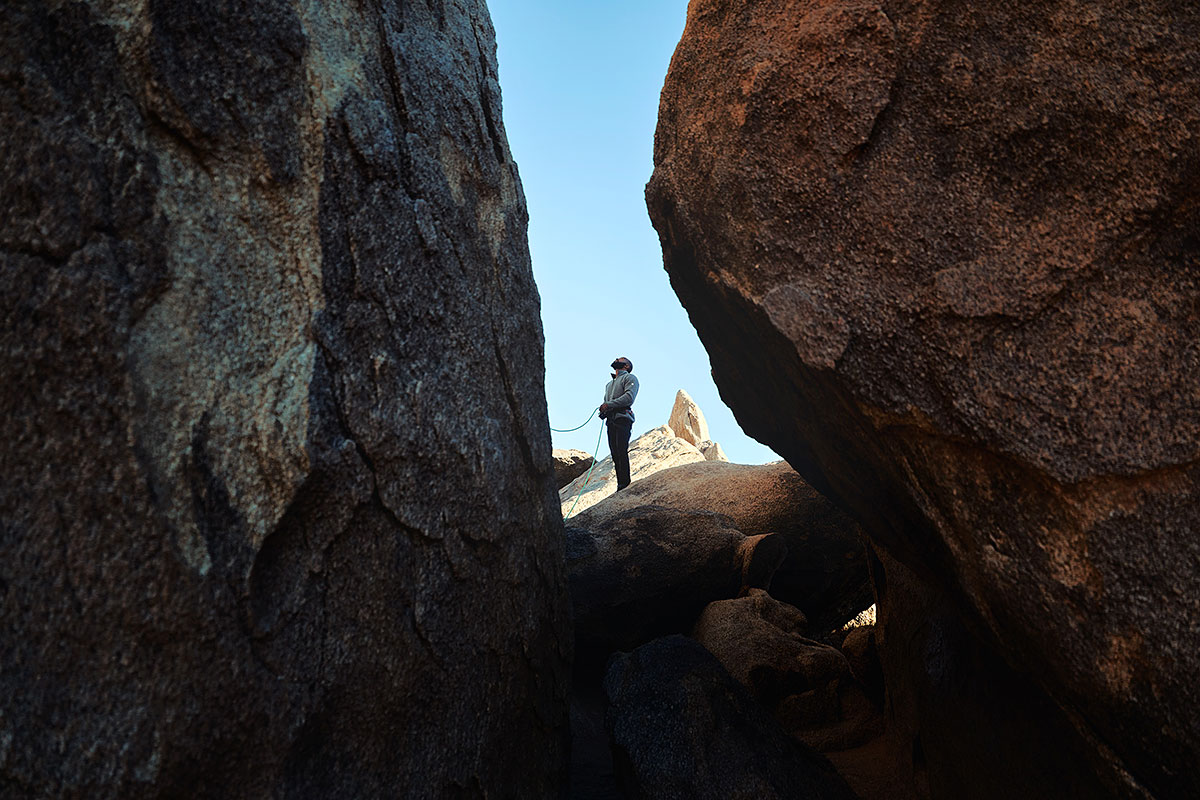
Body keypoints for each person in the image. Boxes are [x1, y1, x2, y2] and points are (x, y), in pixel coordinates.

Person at [599, 356, 639, 491]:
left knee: (621, 450)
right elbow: (608, 402)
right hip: (611, 420)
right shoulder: (609, 385)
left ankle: (625, 483)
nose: (616, 359)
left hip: (623, 418)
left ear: (626, 366)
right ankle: (620, 485)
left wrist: (608, 404)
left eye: (621, 359)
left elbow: (629, 398)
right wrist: (604, 411)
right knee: (615, 453)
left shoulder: (630, 378)